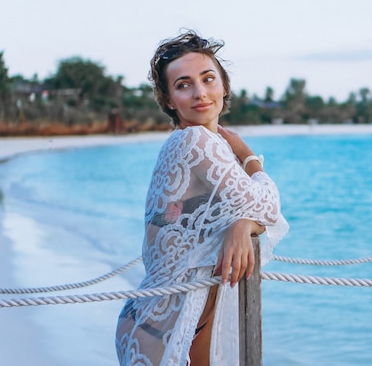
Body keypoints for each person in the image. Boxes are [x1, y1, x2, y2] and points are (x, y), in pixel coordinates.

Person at [115, 30, 289, 366]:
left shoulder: (187, 144)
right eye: (183, 84)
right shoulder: (195, 141)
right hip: (160, 330)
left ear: (224, 86)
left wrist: (242, 225)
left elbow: (211, 212)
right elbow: (268, 204)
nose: (200, 93)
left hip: (171, 321)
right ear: (168, 100)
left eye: (208, 79)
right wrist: (247, 152)